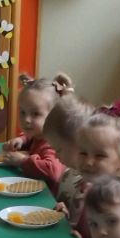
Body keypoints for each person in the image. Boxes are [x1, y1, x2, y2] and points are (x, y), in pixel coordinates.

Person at [74, 104, 120, 238]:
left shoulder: (117, 201)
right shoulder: (91, 188)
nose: (88, 162)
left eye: (100, 155)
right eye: (83, 153)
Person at [0, 74, 65, 186]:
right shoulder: (40, 134)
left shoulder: (52, 143)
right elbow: (33, 139)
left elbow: (53, 171)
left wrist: (22, 161)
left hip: (44, 195)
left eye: (35, 114)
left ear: (54, 116)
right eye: (23, 112)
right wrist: (21, 141)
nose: (26, 119)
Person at [41, 85, 91, 217]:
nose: (56, 156)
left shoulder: (91, 187)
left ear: (79, 144)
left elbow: (88, 227)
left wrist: (68, 220)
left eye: (59, 149)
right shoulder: (68, 173)